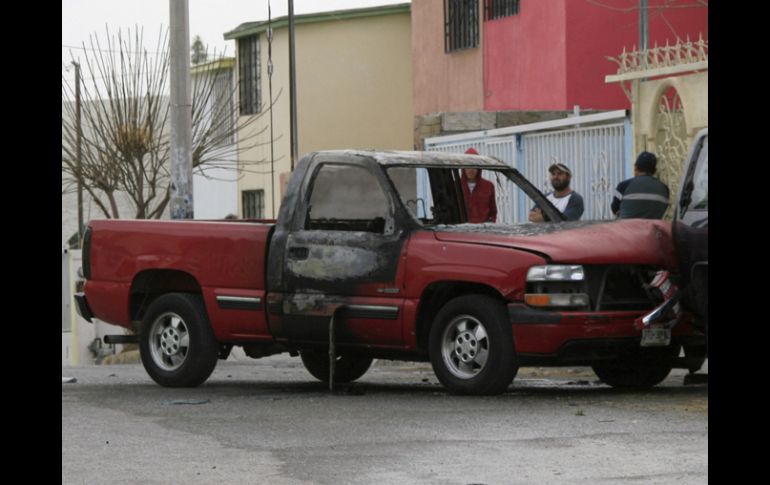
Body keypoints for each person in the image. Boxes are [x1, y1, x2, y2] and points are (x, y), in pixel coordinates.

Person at [611, 151, 669, 219]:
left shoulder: (623, 186)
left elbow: (614, 208)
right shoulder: (664, 189)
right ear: (654, 171)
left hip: (628, 225)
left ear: (636, 167)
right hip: (654, 226)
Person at [460, 147, 497, 223]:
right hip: (459, 229)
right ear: (463, 167)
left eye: (474, 166)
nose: (471, 170)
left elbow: (493, 212)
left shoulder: (488, 186)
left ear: (479, 167)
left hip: (483, 229)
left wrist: (490, 224)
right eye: (468, 166)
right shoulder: (455, 187)